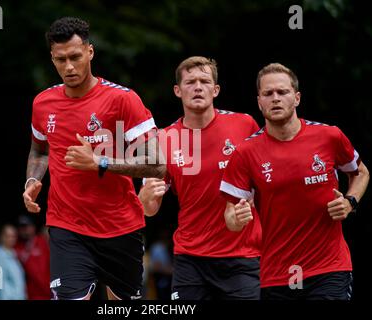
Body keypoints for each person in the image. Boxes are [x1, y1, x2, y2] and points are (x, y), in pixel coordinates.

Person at [22, 17, 165, 300]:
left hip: (120, 227)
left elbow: (157, 164)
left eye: (75, 56)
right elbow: (39, 150)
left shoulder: (122, 101)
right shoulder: (42, 103)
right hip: (67, 226)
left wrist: (100, 163)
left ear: (90, 52)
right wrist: (32, 179)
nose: (69, 66)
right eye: (61, 59)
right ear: (52, 58)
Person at [220, 63, 370, 300]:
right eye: (268, 94)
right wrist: (237, 218)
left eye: (282, 92)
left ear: (297, 98)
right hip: (277, 274)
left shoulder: (329, 136)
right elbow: (230, 218)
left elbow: (360, 172)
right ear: (259, 101)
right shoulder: (245, 152)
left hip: (329, 267)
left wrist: (351, 201)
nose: (275, 99)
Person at [139, 56, 262, 300]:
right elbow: (150, 209)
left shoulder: (244, 125)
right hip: (191, 258)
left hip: (242, 255)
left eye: (205, 81)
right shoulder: (163, 139)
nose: (197, 87)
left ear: (215, 90)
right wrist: (143, 199)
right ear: (177, 90)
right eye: (190, 82)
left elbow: (267, 180)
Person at [14, 214, 50, 300]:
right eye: (21, 227)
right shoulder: (16, 247)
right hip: (32, 295)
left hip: (50, 293)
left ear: (33, 227)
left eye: (26, 226)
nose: (24, 230)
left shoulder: (42, 241)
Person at [0, 224, 27, 300]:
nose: (11, 239)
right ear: (0, 237)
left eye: (13, 236)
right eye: (7, 236)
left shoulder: (12, 253)